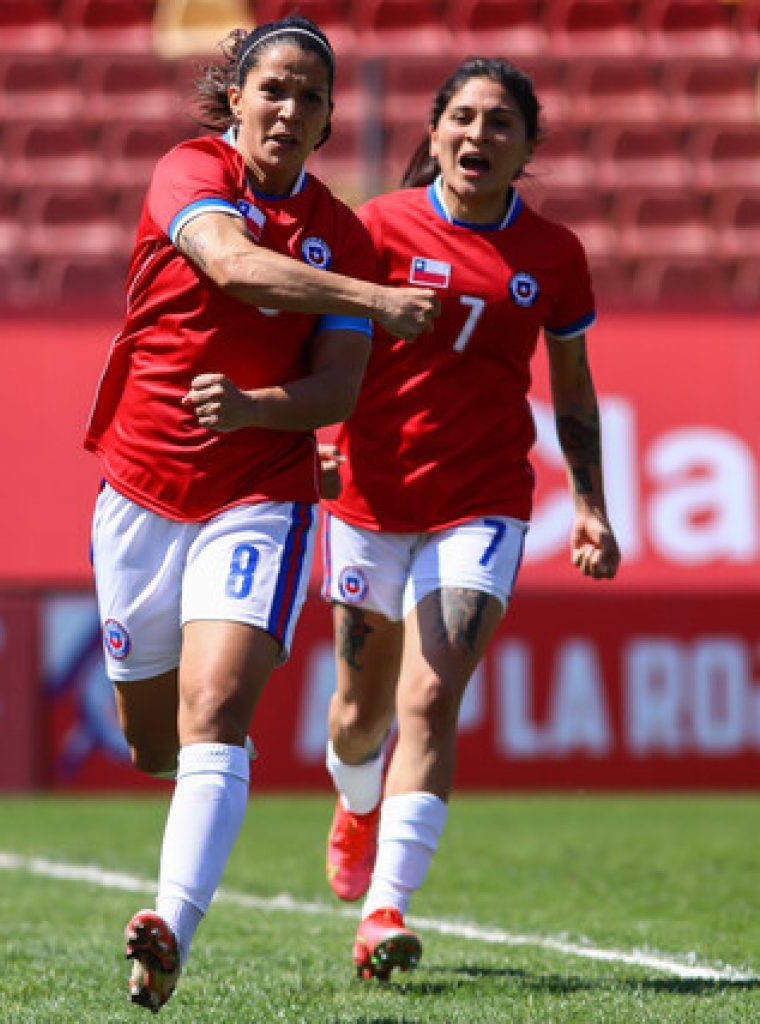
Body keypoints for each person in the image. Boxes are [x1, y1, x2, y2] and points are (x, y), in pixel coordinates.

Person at [83, 16, 439, 1013]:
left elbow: (334, 391)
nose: (287, 108)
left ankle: (168, 929)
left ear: (328, 122)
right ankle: (176, 825)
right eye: (272, 88)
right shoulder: (188, 172)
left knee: (217, 710)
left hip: (259, 499)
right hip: (139, 489)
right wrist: (369, 295)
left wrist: (251, 410)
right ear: (233, 98)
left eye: (309, 96)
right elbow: (232, 266)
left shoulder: (343, 230)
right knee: (151, 740)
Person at [319, 57, 622, 981]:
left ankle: (386, 909)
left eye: (500, 123)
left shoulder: (554, 256)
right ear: (435, 129)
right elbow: (328, 337)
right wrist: (324, 432)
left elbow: (571, 385)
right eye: (464, 118)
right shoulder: (377, 226)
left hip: (483, 500)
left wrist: (591, 504)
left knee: (430, 698)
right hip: (371, 495)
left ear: (528, 147)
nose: (479, 136)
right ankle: (357, 804)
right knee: (356, 719)